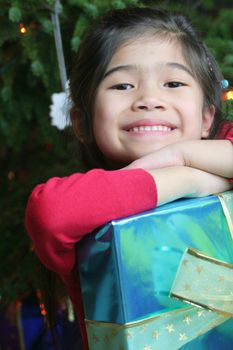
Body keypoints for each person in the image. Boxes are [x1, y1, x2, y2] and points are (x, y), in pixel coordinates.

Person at [25, 7, 233, 350]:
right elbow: (50, 212)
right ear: (81, 121)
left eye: (173, 83)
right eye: (122, 85)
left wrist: (182, 155)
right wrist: (188, 179)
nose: (149, 99)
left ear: (206, 117)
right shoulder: (91, 208)